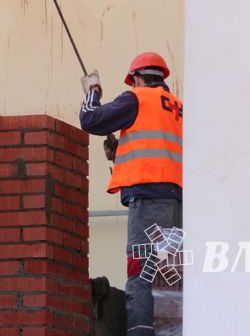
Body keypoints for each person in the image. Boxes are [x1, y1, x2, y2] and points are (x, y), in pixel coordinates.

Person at [79, 52, 183, 336]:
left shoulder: (136, 98)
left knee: (142, 271)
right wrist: (120, 153)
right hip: (178, 205)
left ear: (136, 78)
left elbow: (90, 119)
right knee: (169, 278)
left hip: (149, 202)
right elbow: (161, 152)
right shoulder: (179, 109)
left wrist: (92, 91)